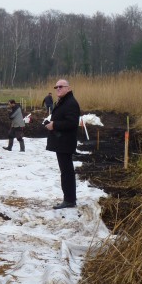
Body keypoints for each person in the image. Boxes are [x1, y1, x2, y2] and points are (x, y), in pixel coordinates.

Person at [45, 79, 80, 209]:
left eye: (61, 86)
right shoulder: (64, 102)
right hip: (62, 142)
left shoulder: (71, 103)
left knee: (67, 172)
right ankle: (69, 199)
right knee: (66, 171)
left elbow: (72, 123)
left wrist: (54, 125)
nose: (58, 89)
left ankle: (69, 200)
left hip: (65, 143)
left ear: (68, 88)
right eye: (56, 87)